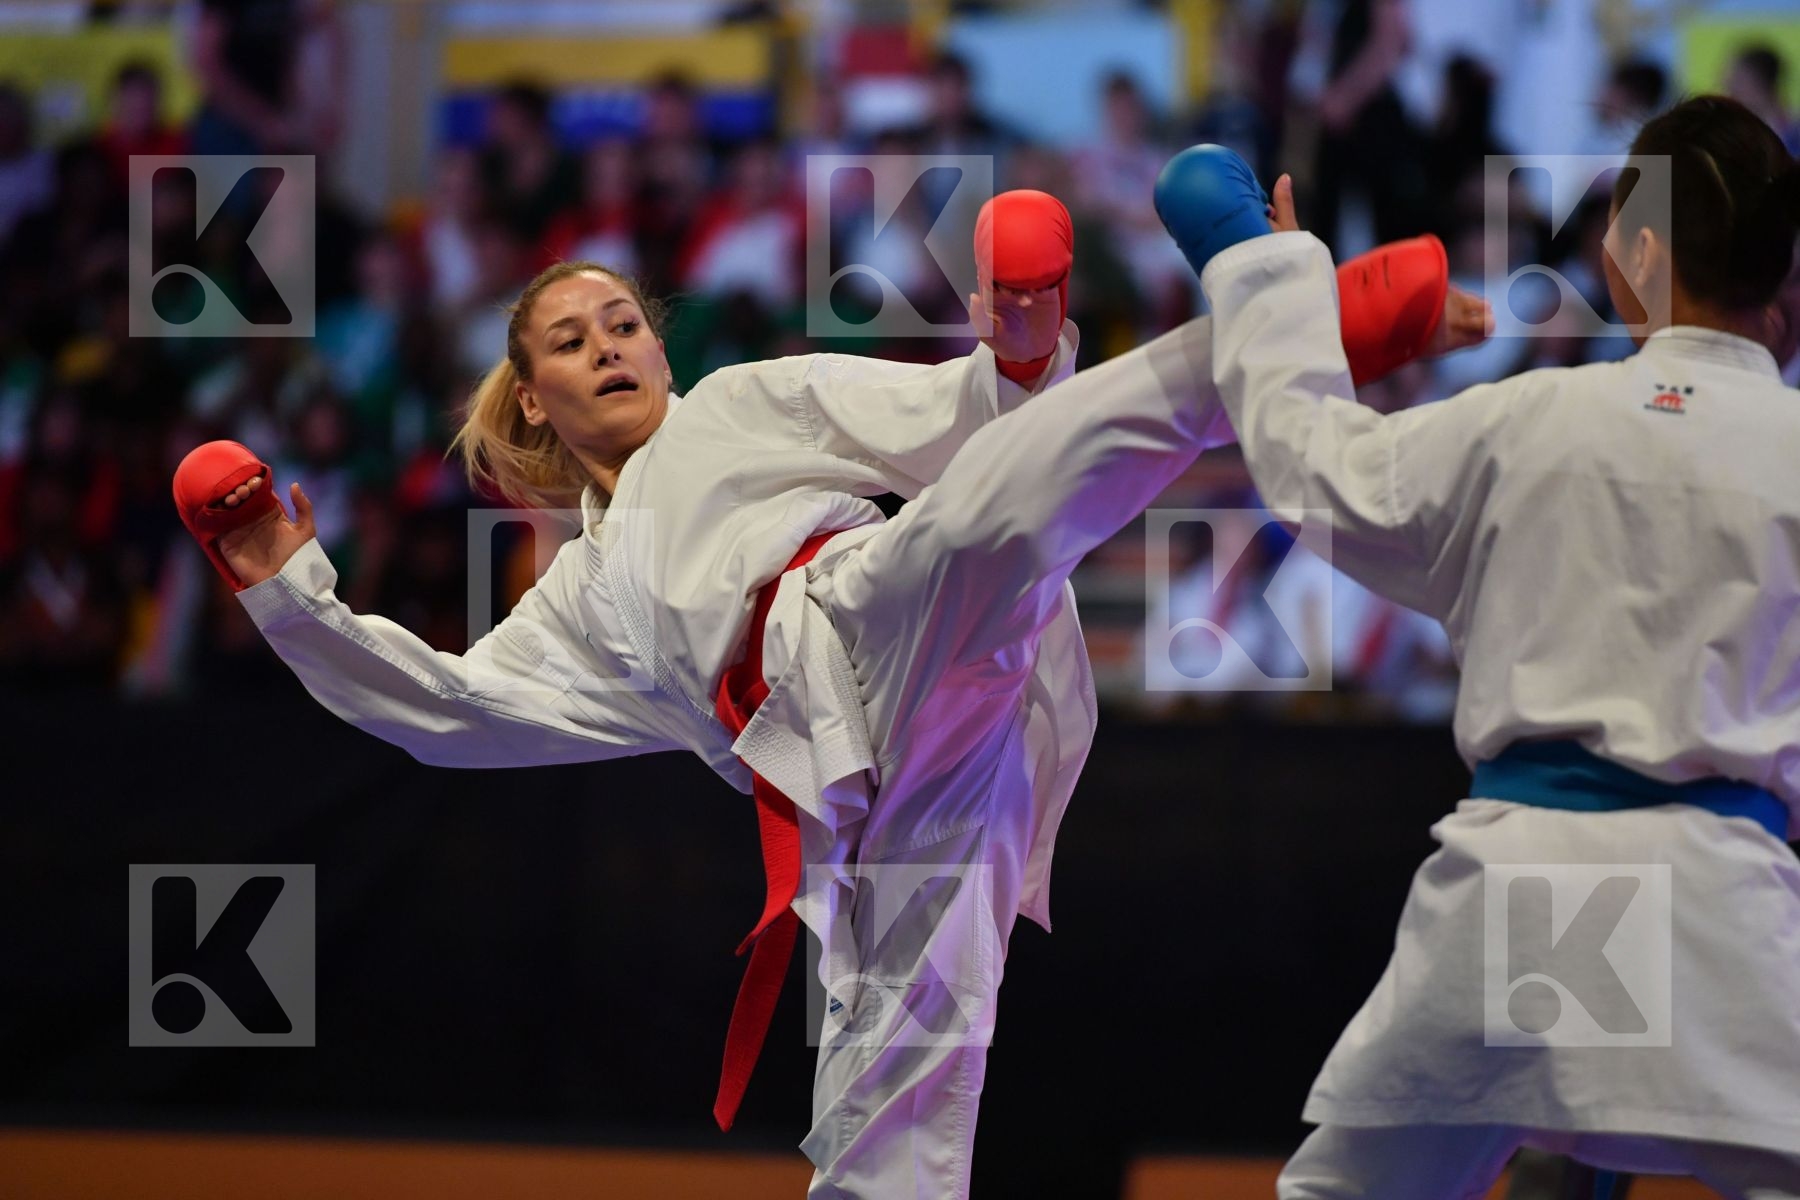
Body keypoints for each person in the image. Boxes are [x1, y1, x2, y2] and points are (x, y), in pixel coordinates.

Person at [173, 188, 1480, 1196]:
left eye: (623, 321)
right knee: (882, 1119)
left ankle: (1282, 320)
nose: (611, 348)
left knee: (986, 517)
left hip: (874, 613)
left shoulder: (746, 401)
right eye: (573, 342)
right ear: (536, 397)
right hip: (865, 813)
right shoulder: (572, 609)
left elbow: (954, 417)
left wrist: (1016, 352)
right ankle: (1270, 325)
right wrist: (290, 595)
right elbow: (442, 715)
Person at [1162, 99, 1800, 1196]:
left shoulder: (1527, 422)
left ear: (1636, 253)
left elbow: (1312, 466)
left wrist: (1256, 269)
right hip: (1727, 909)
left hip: (1517, 895)